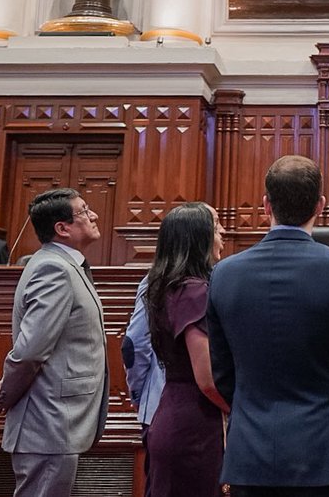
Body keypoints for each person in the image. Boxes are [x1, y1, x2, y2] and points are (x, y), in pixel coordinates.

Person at [208, 155, 329, 497]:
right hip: (324, 454)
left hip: (249, 457)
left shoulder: (225, 273)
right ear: (321, 205)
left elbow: (223, 374)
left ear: (265, 205)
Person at [0, 188, 109, 497]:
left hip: (53, 421)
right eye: (85, 212)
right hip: (50, 423)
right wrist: (7, 391)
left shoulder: (65, 265)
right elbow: (31, 350)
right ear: (62, 228)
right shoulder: (54, 269)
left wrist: (8, 383)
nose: (94, 216)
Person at [143, 203, 229, 497]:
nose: (223, 233)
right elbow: (207, 379)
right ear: (198, 237)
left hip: (177, 411)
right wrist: (241, 412)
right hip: (195, 425)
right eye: (216, 227)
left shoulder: (170, 285)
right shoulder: (194, 291)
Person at [122, 273, 166, 497]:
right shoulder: (215, 279)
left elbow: (133, 344)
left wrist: (139, 396)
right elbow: (133, 346)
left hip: (158, 408)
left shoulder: (157, 281)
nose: (224, 235)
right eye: (216, 233)